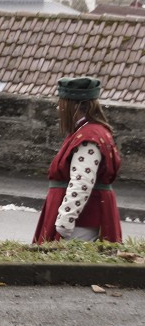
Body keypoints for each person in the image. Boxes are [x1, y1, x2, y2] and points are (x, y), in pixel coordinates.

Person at [33, 77, 122, 244]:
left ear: (74, 106)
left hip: (83, 219)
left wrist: (65, 220)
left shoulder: (90, 136)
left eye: (62, 102)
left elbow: (82, 181)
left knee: (65, 267)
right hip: (82, 216)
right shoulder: (87, 131)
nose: (59, 107)